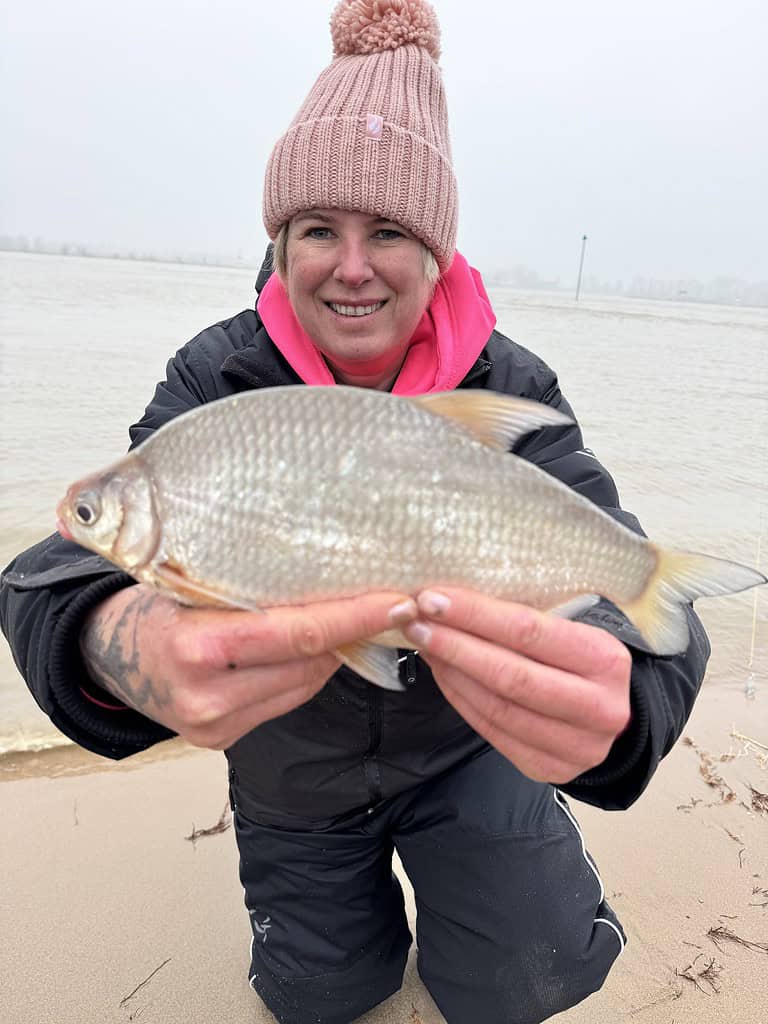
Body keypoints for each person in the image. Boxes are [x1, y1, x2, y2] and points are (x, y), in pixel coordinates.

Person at [0, 2, 711, 1023]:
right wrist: (111, 642)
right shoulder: (216, 381)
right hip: (293, 770)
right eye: (317, 229)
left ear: (437, 253)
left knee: (525, 978)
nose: (351, 264)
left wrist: (623, 687)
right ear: (280, 241)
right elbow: (53, 570)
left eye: (389, 231)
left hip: (469, 751)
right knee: (324, 997)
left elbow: (605, 550)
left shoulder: (512, 383)